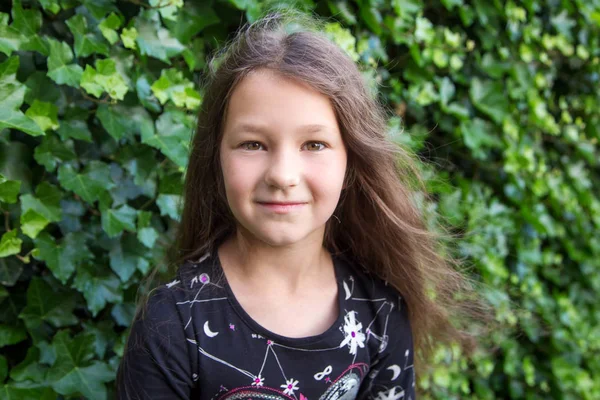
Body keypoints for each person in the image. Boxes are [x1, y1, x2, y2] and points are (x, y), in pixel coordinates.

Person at [116, 10, 480, 400]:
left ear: (351, 161)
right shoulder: (173, 324)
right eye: (253, 144)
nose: (283, 175)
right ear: (216, 158)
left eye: (314, 145)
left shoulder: (382, 316)